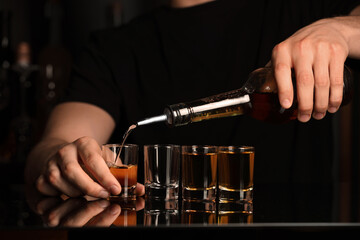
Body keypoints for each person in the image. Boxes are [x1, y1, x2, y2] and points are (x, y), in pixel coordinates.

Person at [26, 0, 360, 201]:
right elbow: (54, 144)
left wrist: (340, 30)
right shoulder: (113, 49)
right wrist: (60, 161)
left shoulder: (301, 9)